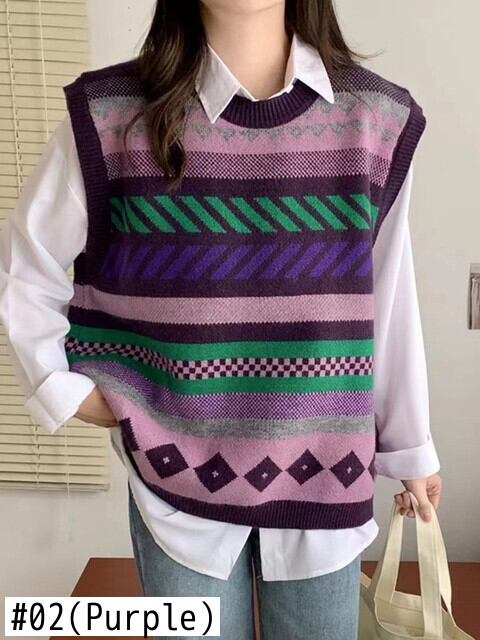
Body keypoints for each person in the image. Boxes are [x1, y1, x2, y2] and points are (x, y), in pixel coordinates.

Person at [0, 1, 443, 638]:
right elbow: (26, 268)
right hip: (175, 483)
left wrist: (411, 447)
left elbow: (389, 297)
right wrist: (62, 390)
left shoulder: (375, 119)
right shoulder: (110, 117)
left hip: (326, 477)